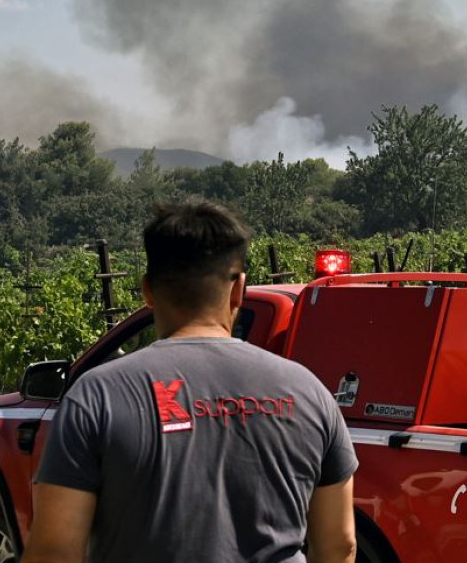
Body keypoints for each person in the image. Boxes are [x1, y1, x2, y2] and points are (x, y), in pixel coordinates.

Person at [24, 202, 358, 563]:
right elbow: (340, 545)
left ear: (147, 291)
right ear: (238, 290)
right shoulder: (309, 393)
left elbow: (55, 551)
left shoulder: (96, 396)